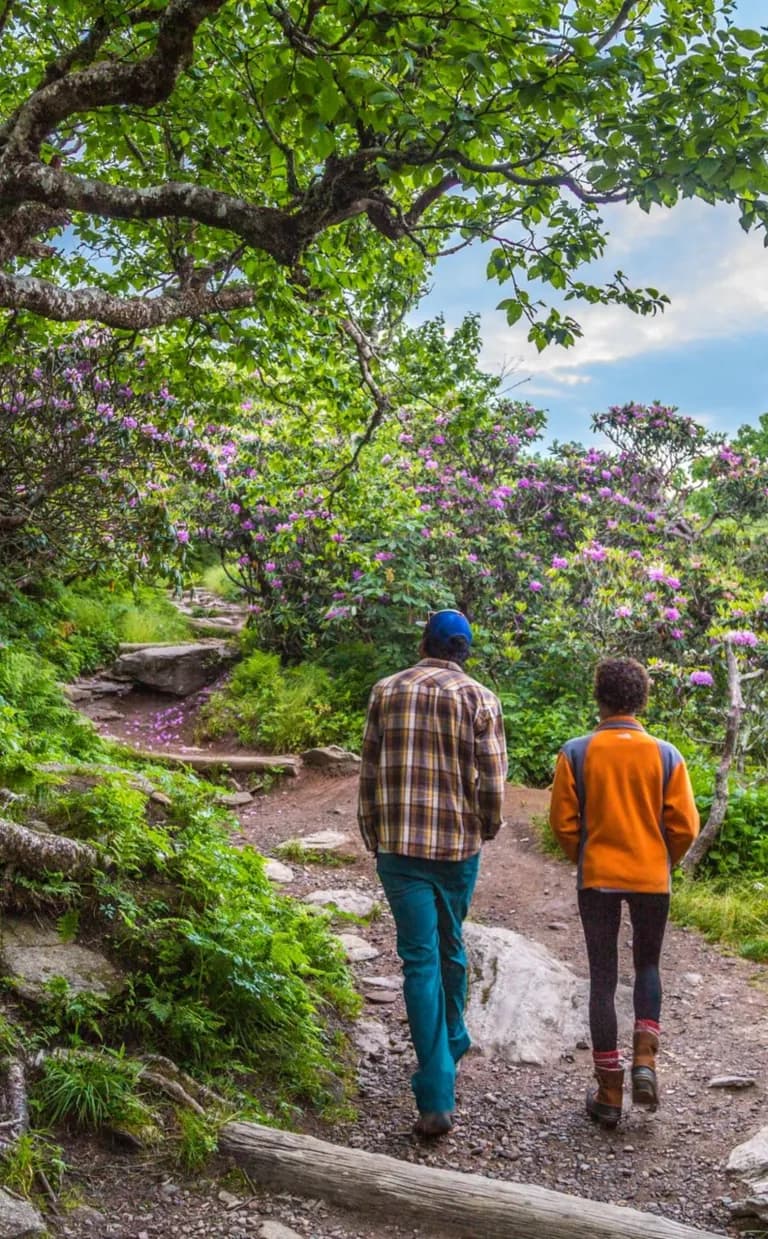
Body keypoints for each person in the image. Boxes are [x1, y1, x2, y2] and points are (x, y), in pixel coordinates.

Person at [357, 609, 508, 1138]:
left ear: (424, 643)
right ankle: (453, 1043)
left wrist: (370, 830)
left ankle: (437, 1086)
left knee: (418, 961)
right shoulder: (480, 699)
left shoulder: (386, 691)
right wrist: (486, 828)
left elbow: (369, 769)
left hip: (398, 847)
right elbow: (491, 781)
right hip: (456, 848)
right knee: (451, 945)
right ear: (465, 652)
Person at [549, 657, 699, 1129]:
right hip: (652, 877)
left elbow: (563, 824)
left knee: (603, 979)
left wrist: (585, 855)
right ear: (642, 699)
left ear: (600, 697)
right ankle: (645, 1064)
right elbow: (685, 825)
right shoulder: (666, 754)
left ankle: (609, 1091)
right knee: (648, 965)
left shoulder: (576, 752)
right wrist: (663, 858)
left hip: (597, 877)